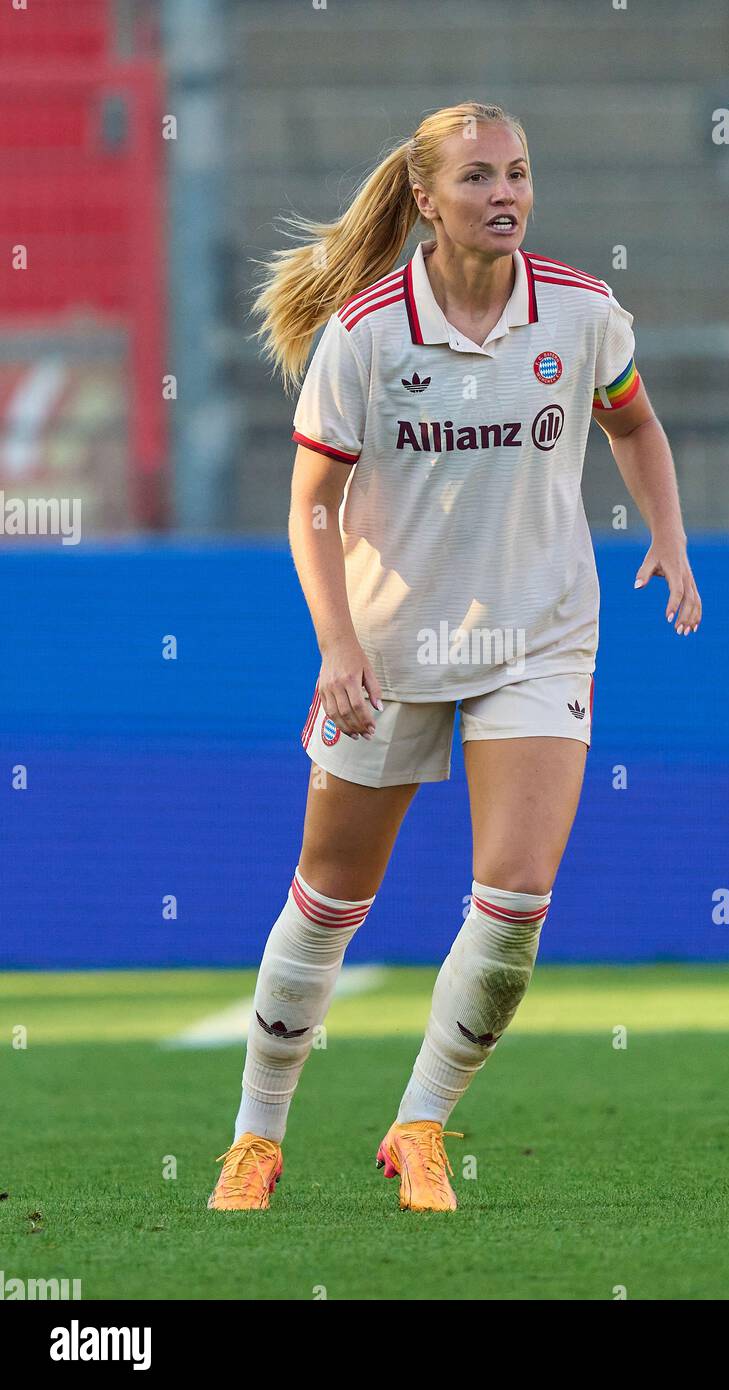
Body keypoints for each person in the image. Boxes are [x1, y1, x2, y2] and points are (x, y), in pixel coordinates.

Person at [208, 101, 701, 1214]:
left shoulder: (578, 314)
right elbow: (309, 507)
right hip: (388, 650)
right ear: (426, 199)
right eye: (479, 177)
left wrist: (667, 539)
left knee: (516, 897)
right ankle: (256, 1136)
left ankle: (421, 1123)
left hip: (538, 633)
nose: (506, 195)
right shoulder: (368, 333)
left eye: (518, 173)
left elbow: (632, 423)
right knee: (332, 896)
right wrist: (336, 643)